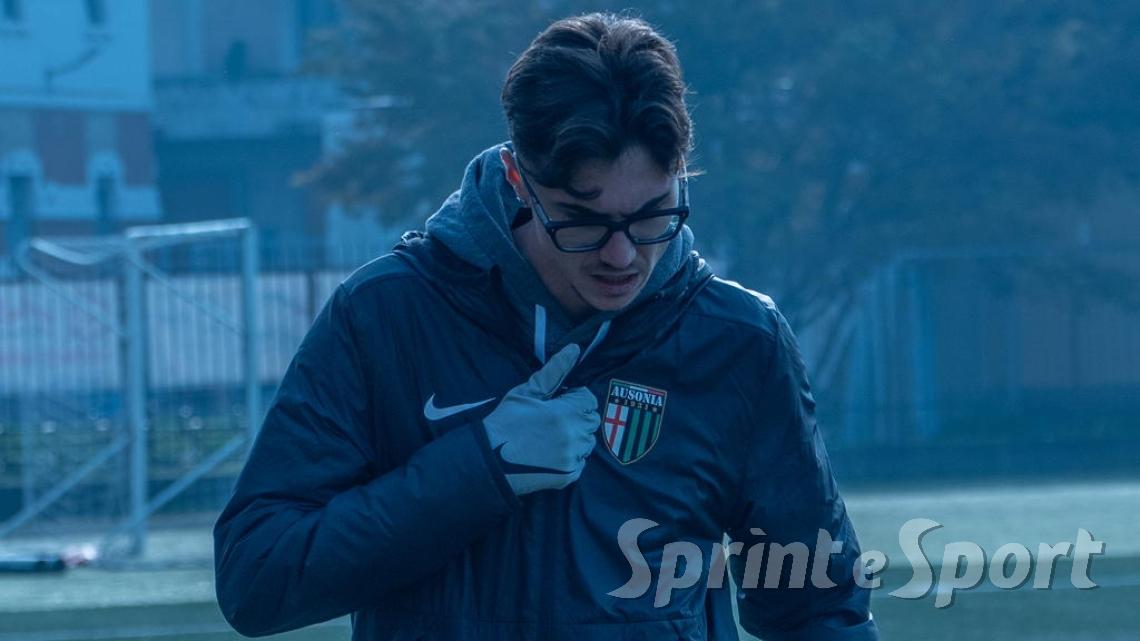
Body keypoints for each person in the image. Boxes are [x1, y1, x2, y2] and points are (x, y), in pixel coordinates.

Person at [214, 12, 879, 641]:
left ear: (680, 173)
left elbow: (819, 607)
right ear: (516, 176)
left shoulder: (739, 340)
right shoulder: (385, 315)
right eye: (583, 220)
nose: (622, 254)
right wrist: (480, 467)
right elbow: (256, 577)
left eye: (652, 214)